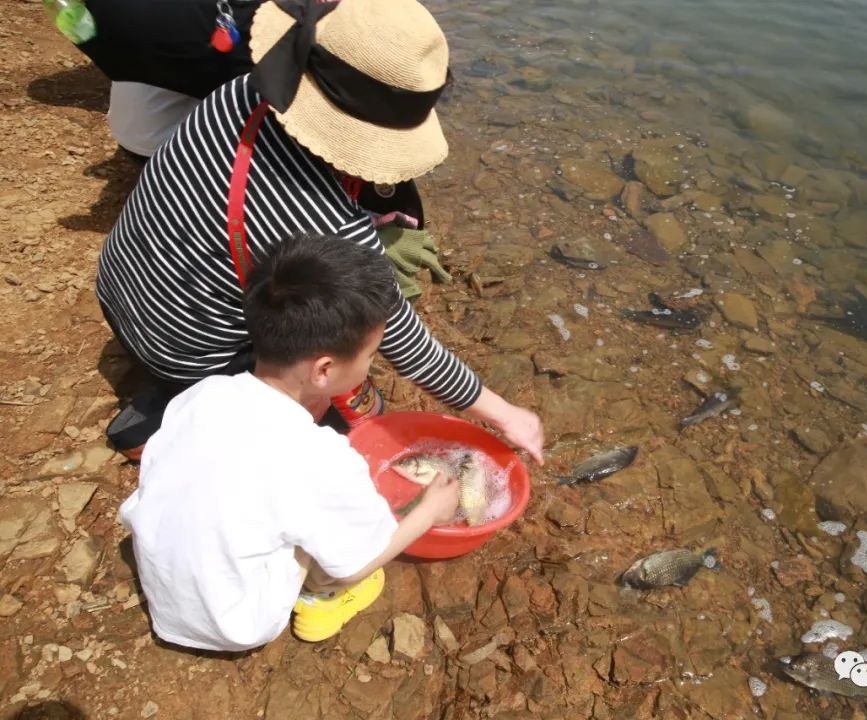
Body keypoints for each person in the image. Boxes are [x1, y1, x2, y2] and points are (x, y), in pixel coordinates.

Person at [95, 0, 544, 463]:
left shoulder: (247, 92)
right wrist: (502, 412)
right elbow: (400, 337)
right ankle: (166, 419)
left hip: (120, 284)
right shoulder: (325, 224)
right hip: (179, 351)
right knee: (334, 416)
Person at [120, 233, 461, 649]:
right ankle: (323, 599)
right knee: (357, 557)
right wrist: (428, 512)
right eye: (371, 356)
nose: (372, 364)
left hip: (169, 596)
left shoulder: (201, 394)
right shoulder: (322, 457)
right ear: (323, 370)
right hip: (236, 622)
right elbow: (353, 563)